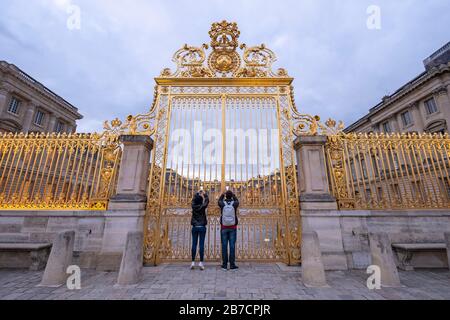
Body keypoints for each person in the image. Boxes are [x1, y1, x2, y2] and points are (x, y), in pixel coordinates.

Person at [218, 190, 239, 271]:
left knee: (224, 245)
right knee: (232, 246)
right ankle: (232, 265)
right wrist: (234, 195)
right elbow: (237, 201)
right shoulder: (234, 204)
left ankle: (224, 265)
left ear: (226, 196)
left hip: (224, 227)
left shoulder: (223, 204)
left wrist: (222, 195)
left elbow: (219, 201)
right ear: (232, 196)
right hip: (233, 227)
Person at [191, 190, 209, 270]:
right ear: (201, 200)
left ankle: (192, 262)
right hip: (202, 226)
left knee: (194, 244)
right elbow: (207, 201)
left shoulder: (193, 206)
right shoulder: (203, 206)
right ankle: (201, 263)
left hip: (195, 227)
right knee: (201, 244)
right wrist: (204, 194)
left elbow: (193, 200)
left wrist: (197, 193)